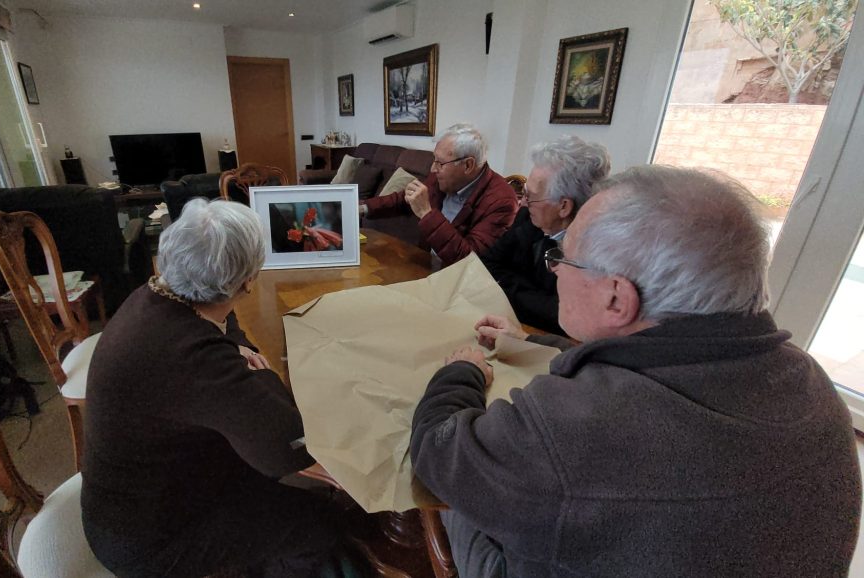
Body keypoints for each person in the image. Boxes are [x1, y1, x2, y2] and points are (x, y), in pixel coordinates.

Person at [410, 166, 861, 577]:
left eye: (561, 259)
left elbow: (437, 451)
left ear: (616, 299)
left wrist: (463, 373)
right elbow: (658, 359)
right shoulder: (812, 381)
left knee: (452, 502)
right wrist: (531, 342)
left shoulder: (572, 424)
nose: (557, 273)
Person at [82, 198, 342, 578]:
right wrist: (260, 371)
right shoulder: (194, 356)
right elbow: (285, 449)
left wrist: (243, 353)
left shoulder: (161, 293)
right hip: (152, 538)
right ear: (248, 282)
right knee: (321, 523)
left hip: (136, 495)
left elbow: (227, 320)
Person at [482, 135, 610, 334]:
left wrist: (512, 290)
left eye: (531, 196)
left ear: (564, 207)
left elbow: (564, 316)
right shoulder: (528, 217)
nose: (523, 203)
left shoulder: (599, 249)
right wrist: (530, 296)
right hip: (510, 326)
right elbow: (488, 265)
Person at [360, 123, 517, 267]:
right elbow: (403, 199)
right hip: (427, 266)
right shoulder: (441, 179)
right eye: (434, 160)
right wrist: (363, 208)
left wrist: (426, 214)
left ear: (468, 165)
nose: (433, 169)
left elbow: (468, 261)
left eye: (440, 163)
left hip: (458, 283)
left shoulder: (502, 201)